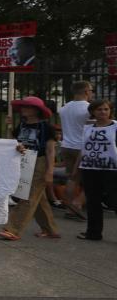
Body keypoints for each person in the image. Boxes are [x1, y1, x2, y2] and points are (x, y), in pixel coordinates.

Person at [0, 96, 60, 240]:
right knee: (38, 198)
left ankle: (13, 229)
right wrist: (9, 126)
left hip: (40, 162)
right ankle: (50, 229)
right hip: (25, 162)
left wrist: (50, 170)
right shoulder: (22, 125)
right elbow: (12, 142)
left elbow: (51, 150)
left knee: (28, 197)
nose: (24, 109)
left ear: (36, 110)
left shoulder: (46, 128)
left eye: (28, 107)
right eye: (23, 106)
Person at [75, 99, 117, 241]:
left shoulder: (115, 127)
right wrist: (76, 168)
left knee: (114, 200)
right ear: (93, 111)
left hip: (111, 169)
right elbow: (83, 149)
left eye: (106, 109)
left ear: (110, 111)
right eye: (99, 109)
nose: (103, 112)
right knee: (93, 201)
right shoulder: (88, 128)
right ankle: (93, 232)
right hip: (90, 168)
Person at [58, 81, 94, 220]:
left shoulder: (64, 107)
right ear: (86, 91)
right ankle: (77, 204)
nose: (92, 93)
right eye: (91, 90)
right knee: (92, 179)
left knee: (71, 178)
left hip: (66, 145)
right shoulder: (89, 108)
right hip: (82, 147)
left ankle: (69, 208)